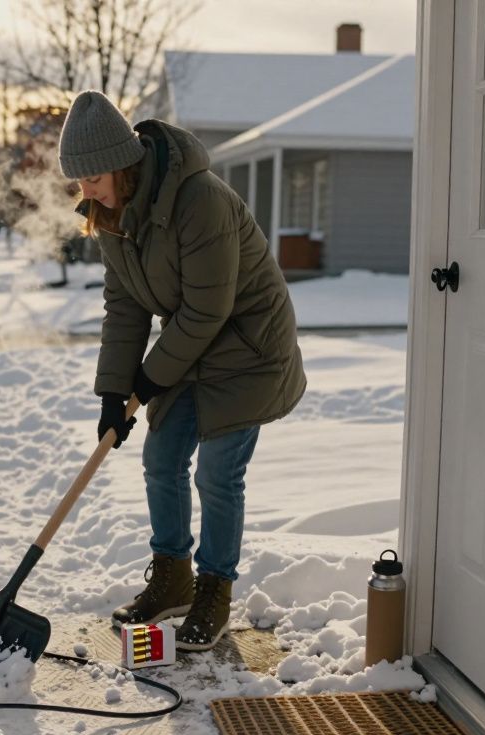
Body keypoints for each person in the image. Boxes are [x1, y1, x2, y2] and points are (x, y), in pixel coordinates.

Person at [59, 90, 307, 651]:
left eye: (91, 176)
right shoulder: (113, 214)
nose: (85, 190)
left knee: (218, 473)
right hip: (191, 347)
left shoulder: (200, 200)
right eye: (79, 180)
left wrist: (147, 380)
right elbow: (124, 308)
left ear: (121, 163)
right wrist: (112, 394)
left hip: (249, 349)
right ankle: (173, 576)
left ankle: (214, 590)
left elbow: (207, 309)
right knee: (161, 456)